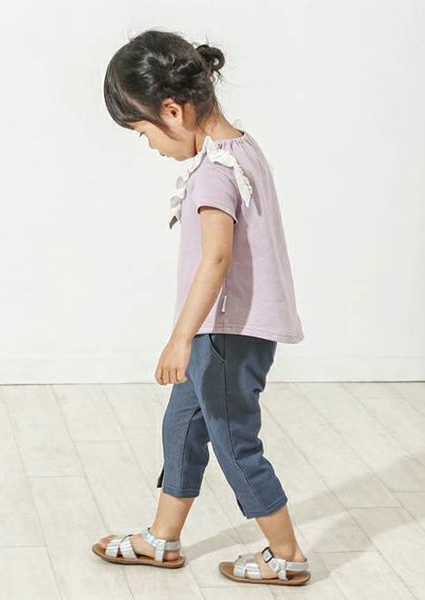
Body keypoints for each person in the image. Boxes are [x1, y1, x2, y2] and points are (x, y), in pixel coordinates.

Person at [92, 28, 310, 586]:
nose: (149, 145)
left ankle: (286, 553)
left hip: (224, 333)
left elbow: (216, 259)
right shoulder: (241, 149)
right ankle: (161, 539)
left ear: (173, 110)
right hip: (222, 332)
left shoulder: (215, 172)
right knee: (183, 426)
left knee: (234, 441)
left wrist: (179, 338)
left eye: (143, 131)